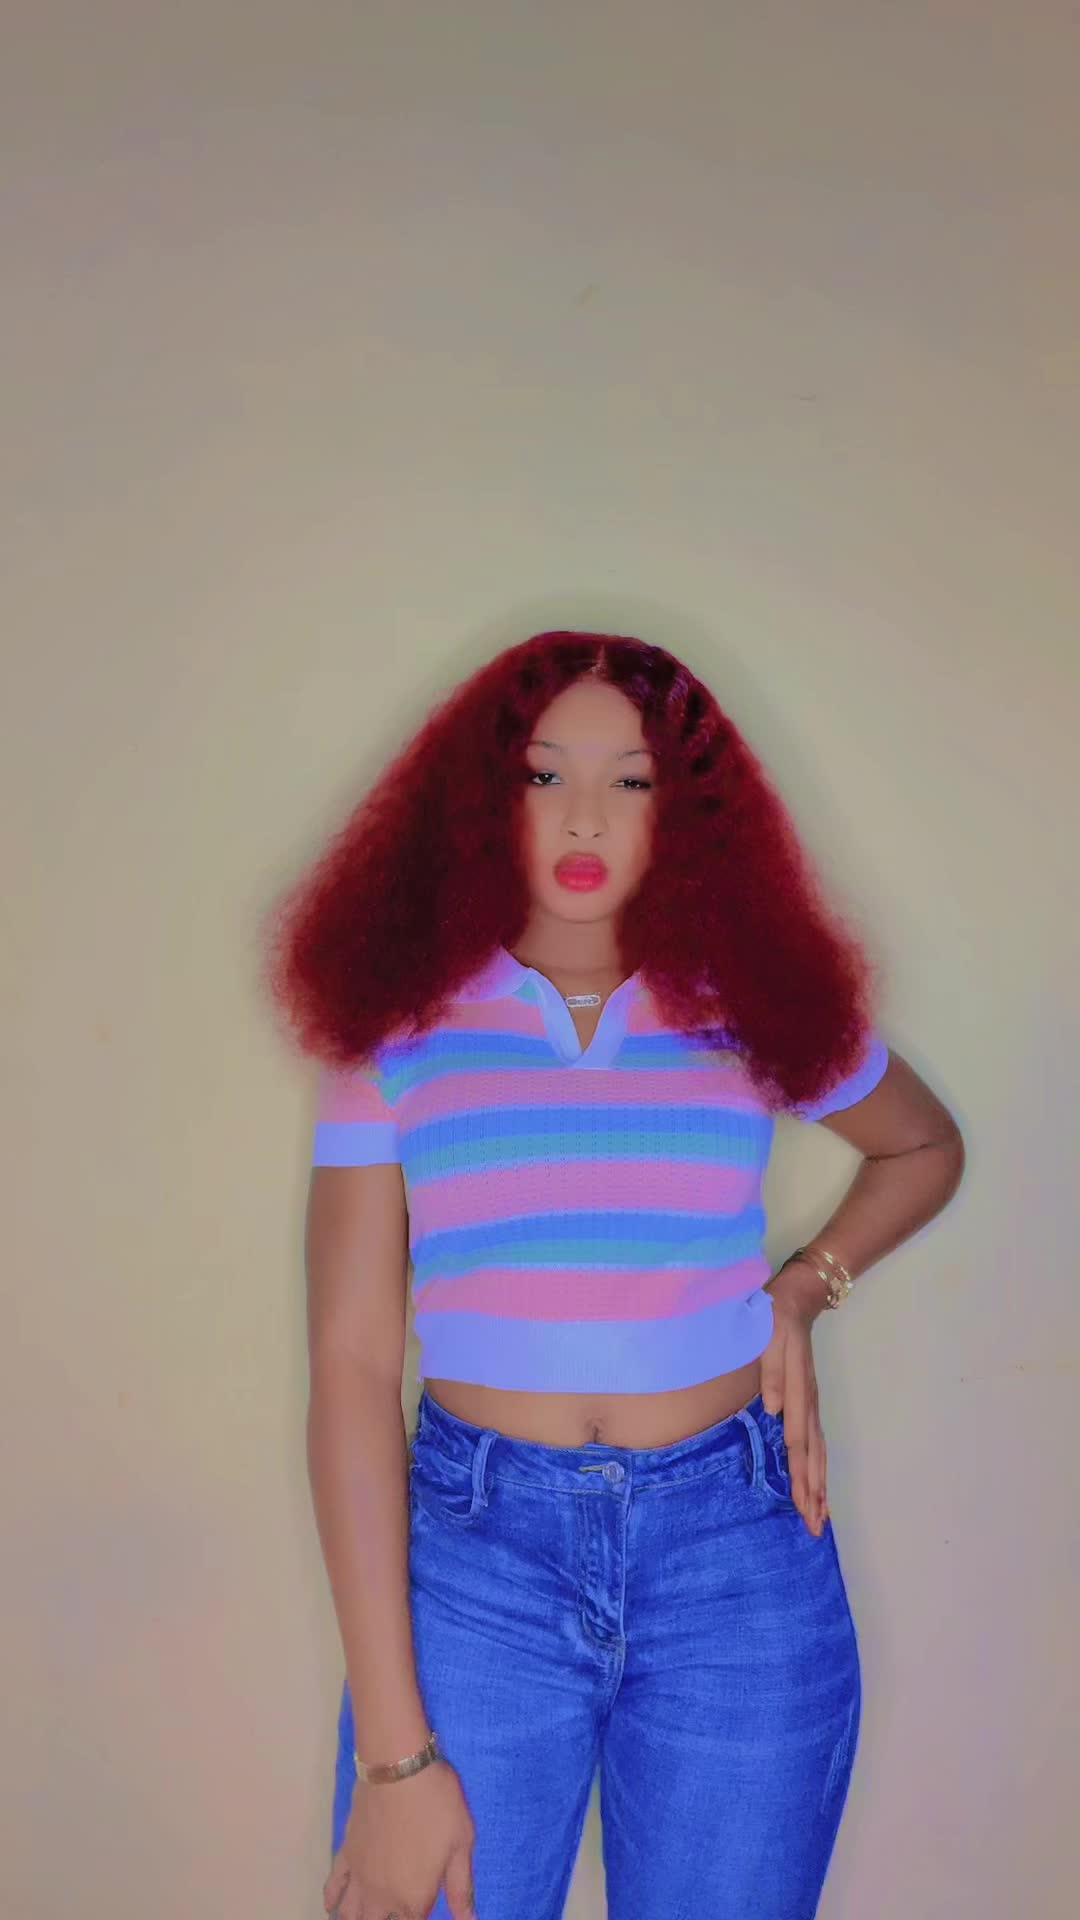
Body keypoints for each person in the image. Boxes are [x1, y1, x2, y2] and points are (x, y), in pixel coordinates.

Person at [264, 629, 965, 1920]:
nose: (585, 815)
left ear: (684, 813)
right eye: (545, 776)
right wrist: (395, 1760)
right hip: (475, 1570)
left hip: (737, 1564)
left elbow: (923, 1147)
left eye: (631, 781)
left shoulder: (751, 1004)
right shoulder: (394, 1027)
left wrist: (804, 1289)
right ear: (485, 804)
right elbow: (353, 1367)